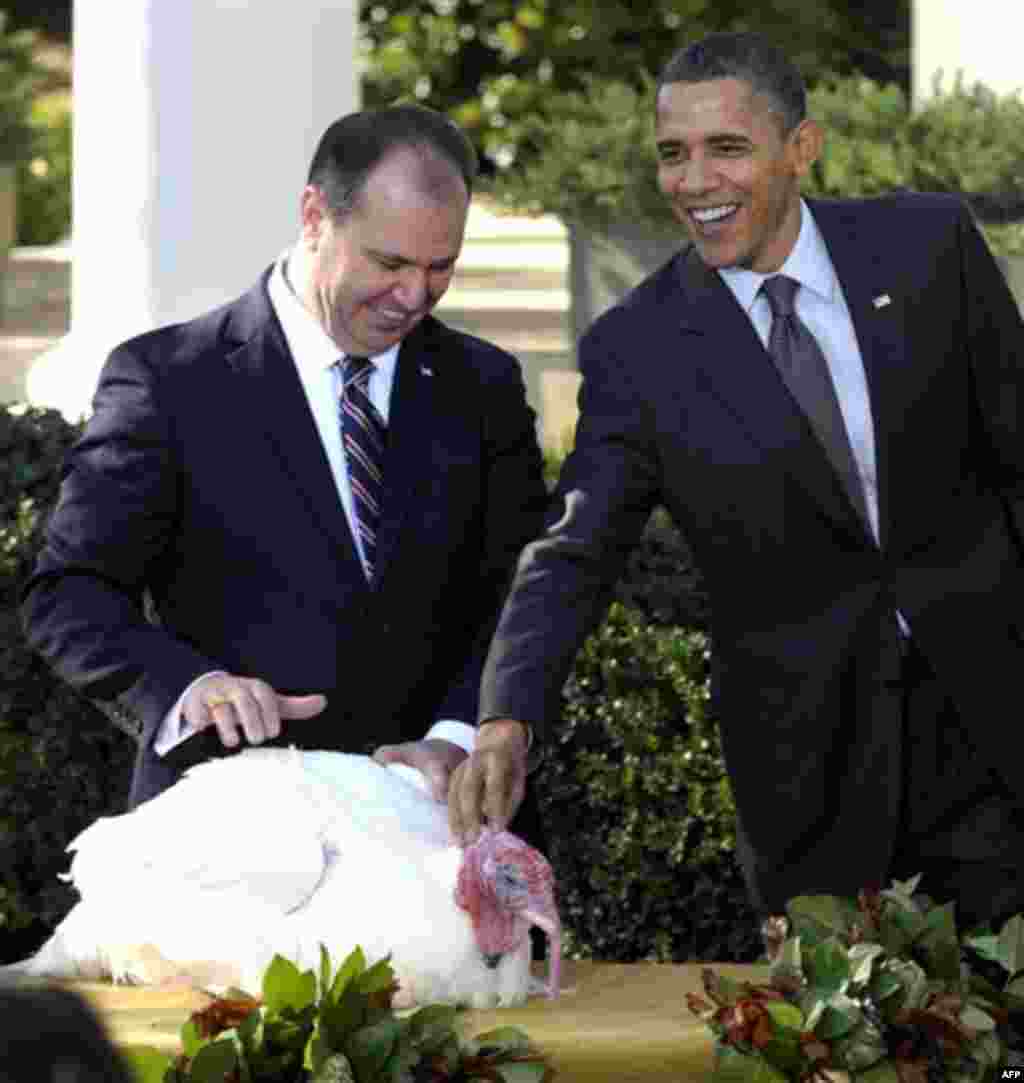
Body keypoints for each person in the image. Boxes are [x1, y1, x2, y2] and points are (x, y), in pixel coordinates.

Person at [448, 31, 1024, 929]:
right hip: (813, 779)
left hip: (991, 724)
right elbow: (574, 552)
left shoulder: (929, 249)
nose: (695, 181)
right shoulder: (637, 349)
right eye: (673, 154)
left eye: (727, 148)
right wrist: (507, 716)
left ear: (802, 147)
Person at [22, 104, 546, 818]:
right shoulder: (168, 380)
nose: (415, 296)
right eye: (389, 262)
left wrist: (459, 735)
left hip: (437, 837)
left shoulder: (484, 388)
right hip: (227, 839)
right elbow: (70, 592)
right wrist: (187, 686)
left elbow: (521, 596)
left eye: (440, 266)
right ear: (313, 216)